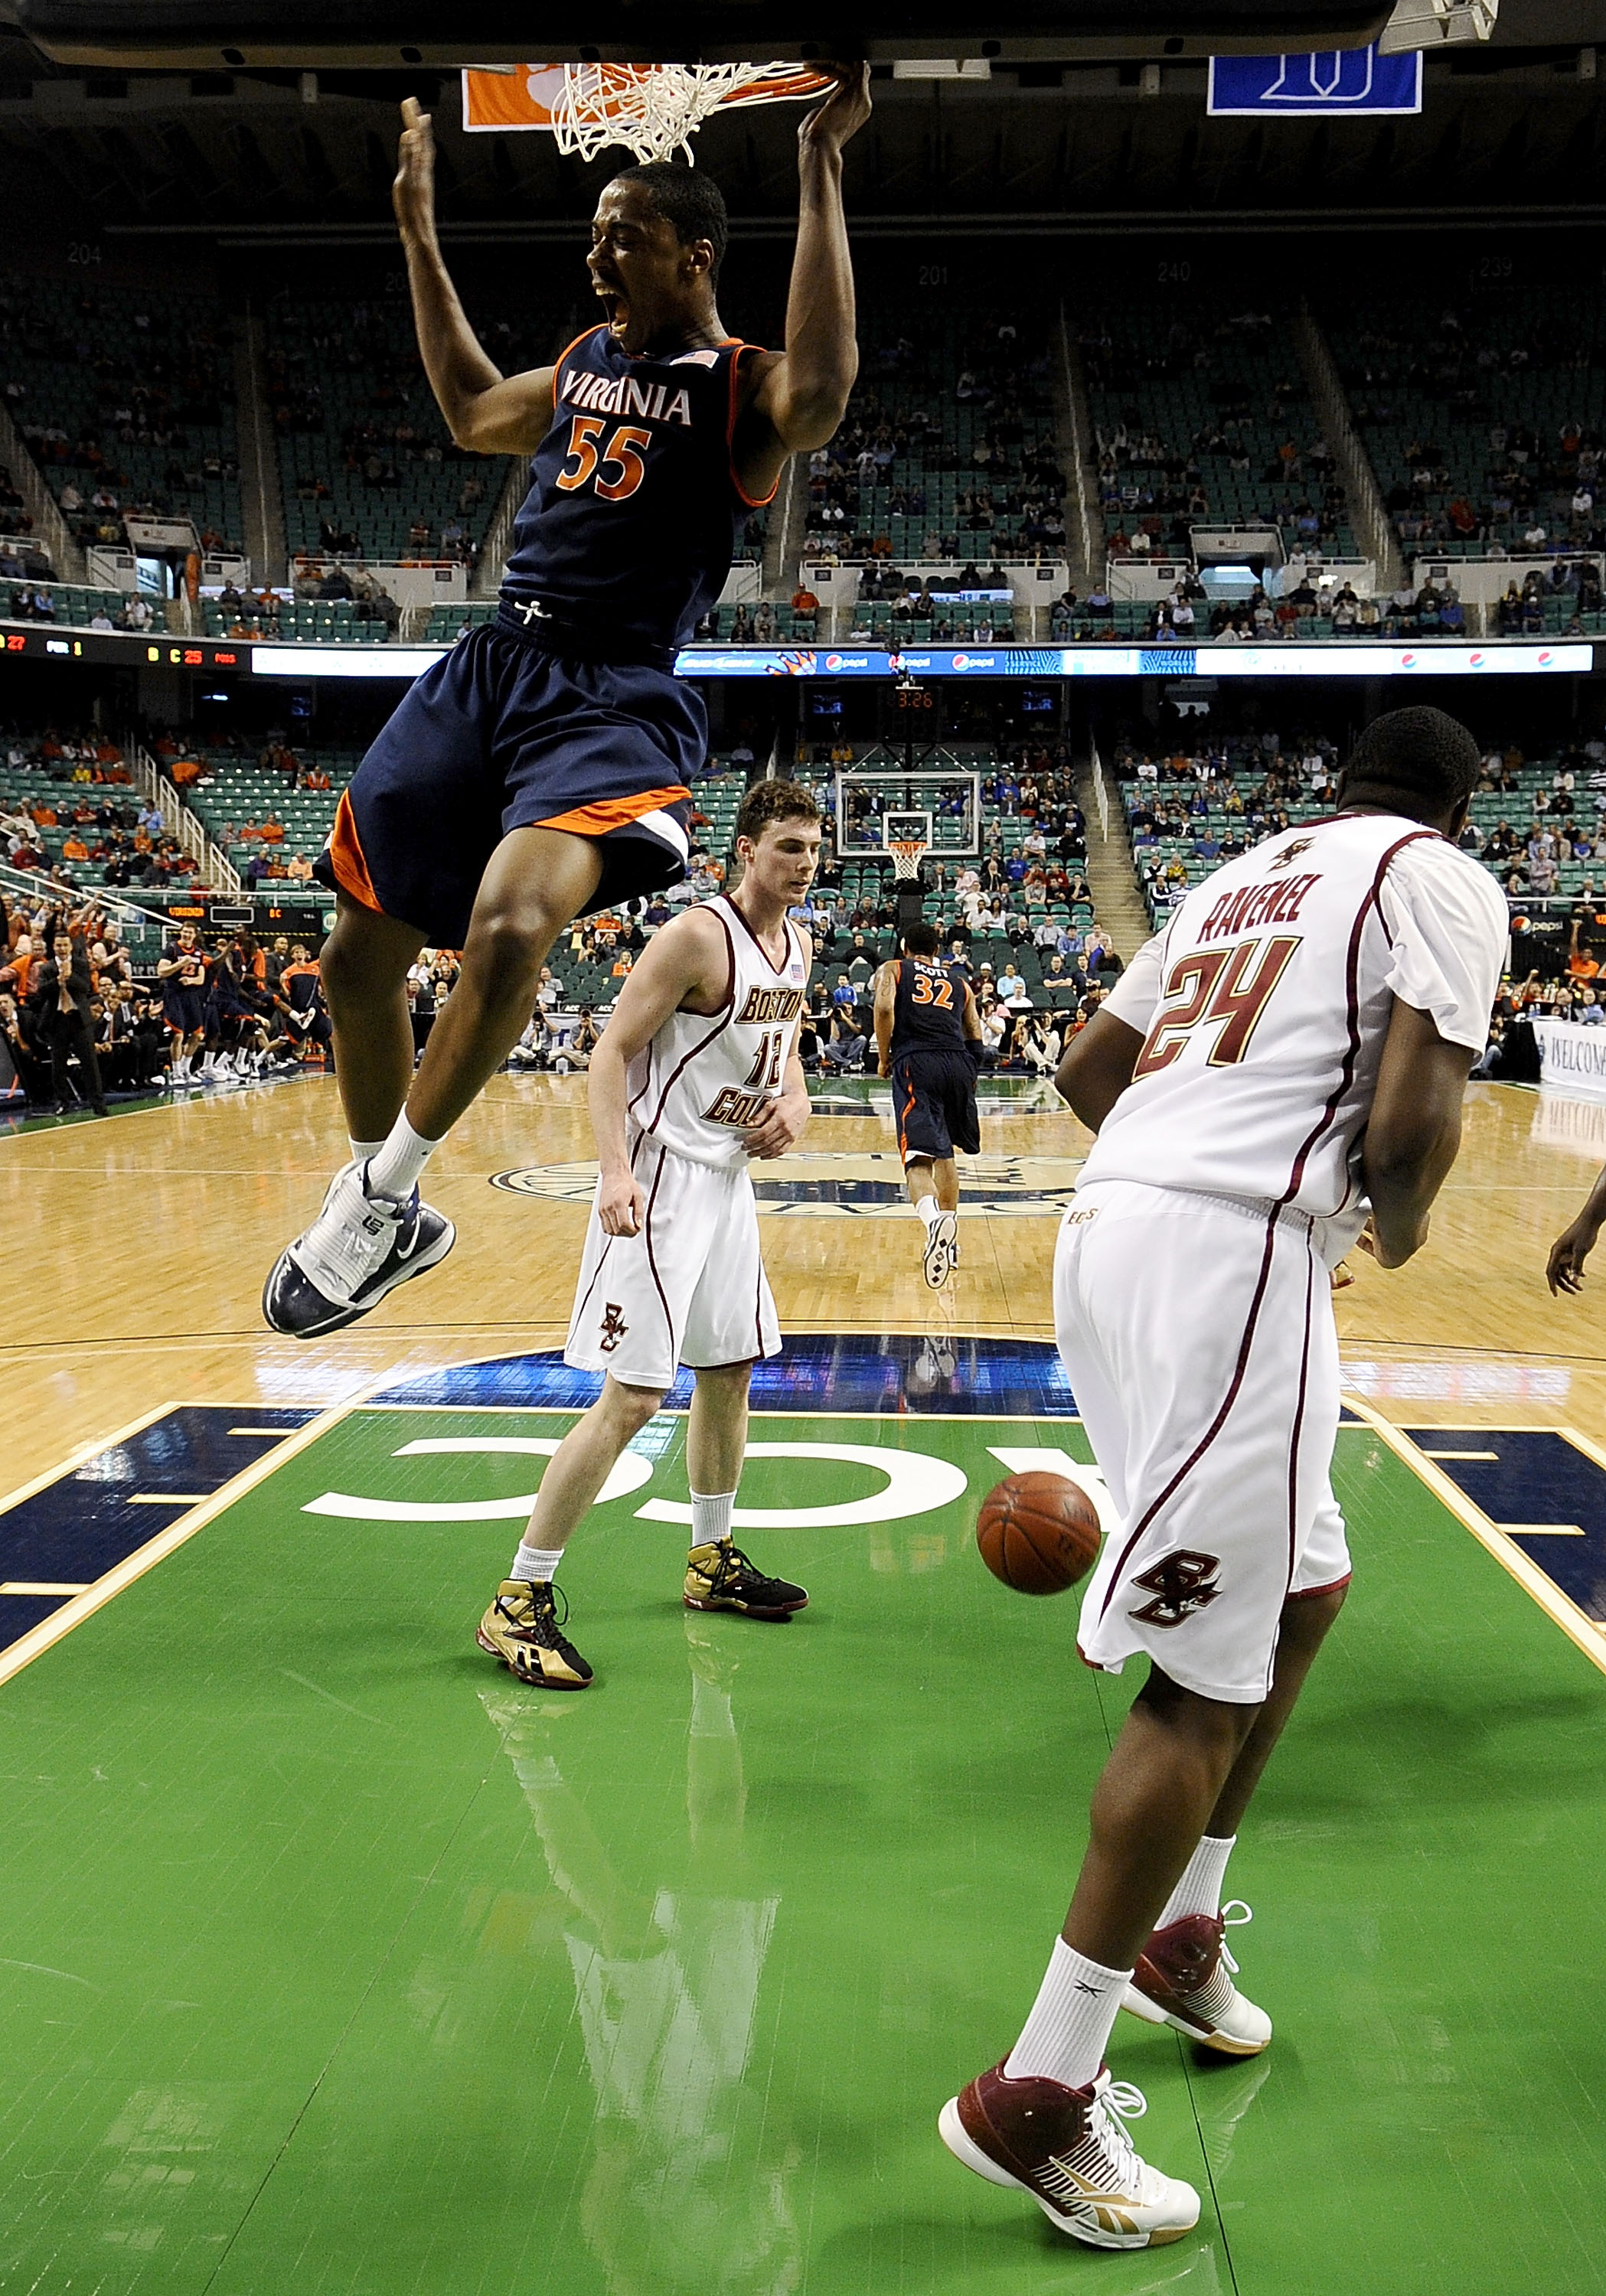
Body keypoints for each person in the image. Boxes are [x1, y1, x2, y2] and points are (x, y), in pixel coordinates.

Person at [940, 707, 1507, 2250]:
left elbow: (1080, 1071)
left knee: (1301, 1584)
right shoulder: (1437, 877)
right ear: (1463, 802)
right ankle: (1035, 2099)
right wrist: (1372, 1237)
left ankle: (1178, 1932)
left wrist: (1199, 1176)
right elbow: (1406, 1124)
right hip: (1231, 1261)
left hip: (1107, 1233)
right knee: (1196, 1683)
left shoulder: (1231, 876)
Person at [263, 70, 872, 1341]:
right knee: (351, 963)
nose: (594, 252)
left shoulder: (744, 388)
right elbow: (472, 408)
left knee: (507, 923)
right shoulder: (584, 359)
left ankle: (376, 1192)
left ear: (692, 257)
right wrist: (418, 236)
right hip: (493, 667)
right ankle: (389, 1212)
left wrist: (818, 159)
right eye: (592, 231)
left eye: (622, 236)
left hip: (610, 690)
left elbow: (820, 392)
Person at [476, 781, 821, 1689]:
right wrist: (615, 1172)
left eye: (812, 849)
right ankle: (518, 1598)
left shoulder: (800, 946)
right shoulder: (696, 936)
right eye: (787, 847)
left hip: (728, 1185)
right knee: (633, 1398)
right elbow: (610, 1051)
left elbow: (785, 1061)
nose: (804, 863)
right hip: (661, 1180)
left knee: (730, 1369)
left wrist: (795, 1103)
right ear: (743, 851)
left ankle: (710, 1561)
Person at [872, 921, 981, 1290]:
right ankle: (949, 1246)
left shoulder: (893, 969)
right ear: (938, 951)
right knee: (946, 1155)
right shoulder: (960, 981)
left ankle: (935, 1222)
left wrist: (885, 1057)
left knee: (918, 1159)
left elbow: (885, 1009)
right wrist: (972, 1070)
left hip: (916, 1061)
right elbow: (975, 1030)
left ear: (904, 946)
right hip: (958, 1063)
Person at [156, 923, 209, 1085]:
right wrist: (180, 964)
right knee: (178, 1033)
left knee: (198, 1034)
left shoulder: (199, 953)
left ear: (194, 935)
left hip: (191, 995)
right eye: (184, 932)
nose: (186, 935)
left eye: (189, 933)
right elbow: (161, 972)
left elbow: (201, 979)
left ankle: (186, 1069)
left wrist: (190, 980)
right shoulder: (171, 949)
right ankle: (176, 1072)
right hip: (174, 993)